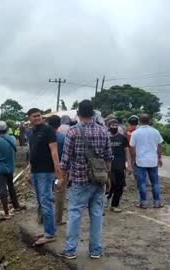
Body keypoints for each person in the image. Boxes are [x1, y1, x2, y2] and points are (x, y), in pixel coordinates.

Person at [59, 100, 112, 260]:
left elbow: (66, 159)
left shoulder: (73, 132)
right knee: (96, 215)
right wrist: (106, 176)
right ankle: (95, 250)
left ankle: (70, 250)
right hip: (99, 180)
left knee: (75, 213)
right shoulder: (104, 131)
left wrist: (62, 179)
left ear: (79, 114)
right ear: (93, 113)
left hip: (80, 180)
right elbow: (108, 157)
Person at [25, 108, 62, 246]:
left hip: (46, 173)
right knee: (41, 202)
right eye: (34, 116)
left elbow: (54, 152)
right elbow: (32, 153)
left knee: (46, 202)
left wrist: (58, 172)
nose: (37, 118)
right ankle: (48, 230)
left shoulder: (48, 130)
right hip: (36, 172)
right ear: (29, 118)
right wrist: (29, 171)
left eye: (39, 116)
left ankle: (50, 234)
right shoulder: (32, 132)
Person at [130, 114, 164, 209]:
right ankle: (157, 202)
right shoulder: (155, 132)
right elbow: (159, 146)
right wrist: (159, 158)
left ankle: (143, 202)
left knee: (142, 183)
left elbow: (132, 148)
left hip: (140, 161)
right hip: (153, 160)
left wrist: (133, 159)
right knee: (155, 182)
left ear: (139, 121)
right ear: (149, 121)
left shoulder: (135, 133)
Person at [0, 121, 21, 219]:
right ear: (7, 129)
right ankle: (17, 206)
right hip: (10, 168)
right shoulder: (12, 138)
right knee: (11, 186)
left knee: (2, 190)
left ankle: (6, 213)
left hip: (0, 170)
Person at [107, 119, 132, 212]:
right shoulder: (105, 137)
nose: (114, 127)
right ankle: (104, 201)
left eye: (116, 125)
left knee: (120, 185)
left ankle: (115, 205)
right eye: (112, 125)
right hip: (108, 166)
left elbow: (127, 151)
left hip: (120, 165)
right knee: (110, 185)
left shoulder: (122, 138)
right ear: (109, 126)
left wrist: (129, 164)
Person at [47, 115, 66, 225]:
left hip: (46, 169)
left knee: (45, 193)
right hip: (61, 169)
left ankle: (42, 217)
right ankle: (58, 219)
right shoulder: (63, 137)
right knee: (59, 193)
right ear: (59, 125)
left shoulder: (44, 136)